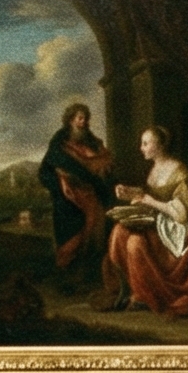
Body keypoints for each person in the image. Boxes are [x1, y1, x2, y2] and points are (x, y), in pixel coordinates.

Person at [102, 126, 188, 317]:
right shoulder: (155, 169)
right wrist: (129, 192)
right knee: (119, 231)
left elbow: (182, 213)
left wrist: (149, 201)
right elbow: (150, 195)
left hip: (179, 229)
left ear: (160, 145)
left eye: (146, 143)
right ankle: (132, 290)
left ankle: (148, 295)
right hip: (160, 221)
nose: (141, 148)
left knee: (135, 244)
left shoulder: (179, 172)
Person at [42, 101, 117, 271]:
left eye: (86, 119)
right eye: (80, 118)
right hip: (69, 197)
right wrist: (61, 180)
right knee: (73, 233)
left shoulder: (92, 141)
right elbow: (46, 171)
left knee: (96, 224)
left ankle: (91, 265)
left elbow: (105, 159)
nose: (84, 122)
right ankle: (69, 268)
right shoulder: (59, 145)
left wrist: (103, 168)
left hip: (92, 193)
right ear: (71, 120)